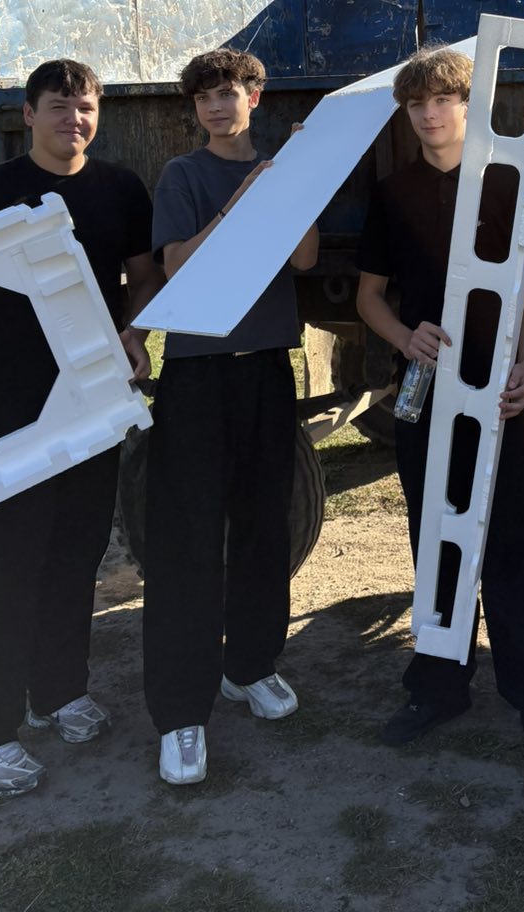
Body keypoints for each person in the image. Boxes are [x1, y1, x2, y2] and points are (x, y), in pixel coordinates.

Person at [0, 58, 159, 796]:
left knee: (77, 549)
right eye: (58, 105)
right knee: (10, 559)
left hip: (90, 397)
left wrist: (136, 332)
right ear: (28, 114)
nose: (73, 119)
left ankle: (57, 691)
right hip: (11, 401)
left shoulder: (120, 188)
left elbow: (143, 277)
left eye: (85, 107)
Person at [355, 45, 524, 780]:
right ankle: (438, 688)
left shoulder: (507, 183)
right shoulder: (392, 193)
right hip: (430, 393)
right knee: (435, 539)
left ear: (468, 106)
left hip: (498, 394)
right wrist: (405, 337)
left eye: (442, 100)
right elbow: (370, 297)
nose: (429, 114)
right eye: (416, 104)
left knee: (517, 544)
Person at [143, 47, 318, 785]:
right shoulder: (183, 176)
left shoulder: (280, 170)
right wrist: (240, 201)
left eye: (229, 93)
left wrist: (298, 180)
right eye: (205, 97)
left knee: (263, 525)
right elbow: (177, 265)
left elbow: (304, 259)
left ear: (256, 97)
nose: (217, 107)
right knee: (186, 541)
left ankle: (249, 665)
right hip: (196, 374)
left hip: (266, 368)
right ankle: (181, 715)